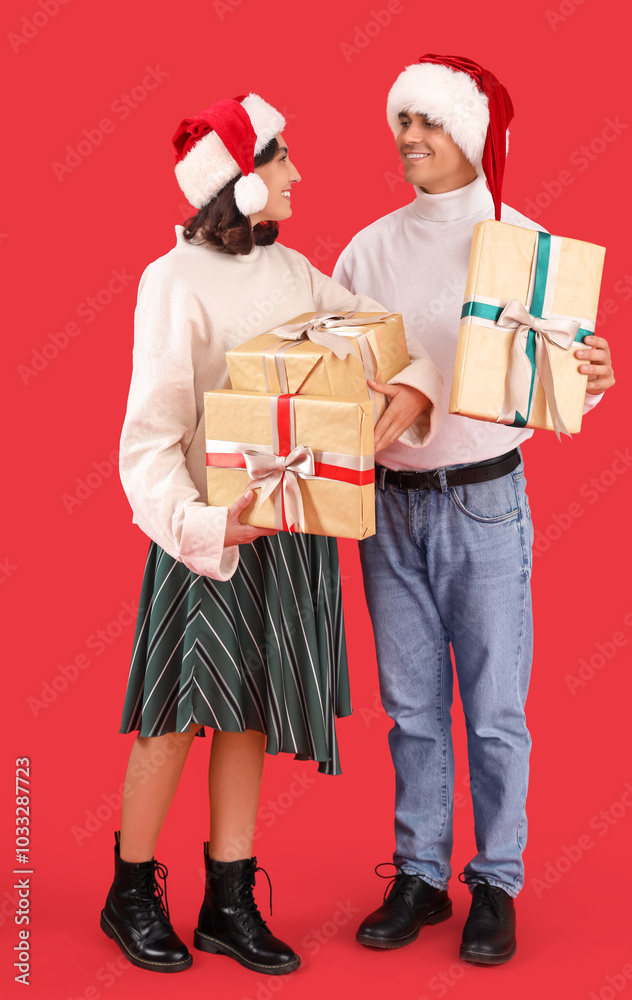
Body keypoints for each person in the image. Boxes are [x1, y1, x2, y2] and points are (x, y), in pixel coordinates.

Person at [101, 93, 442, 977]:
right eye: (281, 159)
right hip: (212, 533)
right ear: (243, 183)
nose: (296, 175)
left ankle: (227, 898)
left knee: (247, 714)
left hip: (292, 526)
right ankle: (130, 891)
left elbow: (380, 337)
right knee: (176, 718)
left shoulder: (293, 272)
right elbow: (146, 442)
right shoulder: (169, 282)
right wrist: (210, 525)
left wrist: (409, 392)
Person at [333, 55, 615, 965]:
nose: (409, 136)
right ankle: (419, 873)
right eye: (402, 119)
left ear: (475, 131)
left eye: (430, 120)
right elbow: (337, 379)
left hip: (486, 500)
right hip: (387, 507)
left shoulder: (527, 246)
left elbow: (556, 380)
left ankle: (494, 880)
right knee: (410, 708)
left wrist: (593, 377)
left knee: (494, 710)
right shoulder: (367, 249)